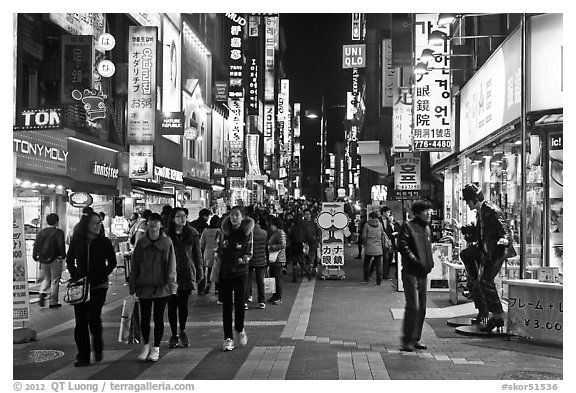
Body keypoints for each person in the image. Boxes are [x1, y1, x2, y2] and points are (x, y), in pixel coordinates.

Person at [462, 183, 516, 333]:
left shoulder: (491, 210)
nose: (468, 205)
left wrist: (505, 239)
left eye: (468, 202)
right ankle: (477, 290)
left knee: (485, 281)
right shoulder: (481, 211)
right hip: (486, 249)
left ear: (473, 200)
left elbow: (504, 228)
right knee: (466, 255)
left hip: (497, 251)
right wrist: (470, 232)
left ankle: (498, 316)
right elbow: (482, 232)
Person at [66, 212, 117, 367]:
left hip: (98, 286)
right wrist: (75, 275)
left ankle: (98, 347)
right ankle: (83, 355)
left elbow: (112, 262)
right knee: (80, 322)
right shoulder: (78, 240)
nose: (97, 226)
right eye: (94, 223)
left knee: (93, 317)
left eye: (99, 223)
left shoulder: (104, 242)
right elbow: (69, 260)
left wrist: (102, 274)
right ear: (86, 225)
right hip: (81, 287)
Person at [129, 213, 177, 362]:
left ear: (161, 225)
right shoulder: (141, 243)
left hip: (161, 287)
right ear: (147, 224)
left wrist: (172, 286)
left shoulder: (167, 243)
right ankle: (146, 345)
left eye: (156, 222)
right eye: (150, 221)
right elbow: (134, 266)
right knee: (144, 318)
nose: (153, 224)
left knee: (158, 318)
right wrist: (132, 286)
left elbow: (171, 266)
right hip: (144, 286)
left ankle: (155, 347)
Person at [397, 200, 434, 352]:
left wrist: (428, 264)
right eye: (426, 211)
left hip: (423, 273)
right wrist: (417, 261)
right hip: (411, 272)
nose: (429, 213)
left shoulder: (427, 229)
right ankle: (407, 340)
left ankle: (416, 338)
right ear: (418, 213)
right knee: (413, 306)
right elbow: (402, 246)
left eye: (430, 210)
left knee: (422, 307)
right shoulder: (408, 226)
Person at [215, 206, 254, 351]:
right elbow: (217, 249)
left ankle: (239, 328)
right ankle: (228, 338)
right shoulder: (222, 231)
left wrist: (244, 259)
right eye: (232, 215)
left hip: (241, 272)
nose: (234, 218)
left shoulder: (247, 232)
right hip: (225, 272)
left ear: (242, 217)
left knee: (239, 303)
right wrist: (218, 257)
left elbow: (250, 251)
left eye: (237, 215)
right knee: (226, 306)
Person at [166, 207, 203, 348]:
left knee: (183, 305)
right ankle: (174, 334)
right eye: (179, 216)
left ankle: (182, 330)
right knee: (171, 305)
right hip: (171, 275)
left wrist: (199, 273)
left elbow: (197, 255)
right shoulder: (166, 234)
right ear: (173, 218)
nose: (183, 218)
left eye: (184, 216)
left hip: (186, 273)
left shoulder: (192, 233)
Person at [33, 213, 66, 308]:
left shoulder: (41, 232)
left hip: (43, 259)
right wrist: (63, 255)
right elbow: (61, 244)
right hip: (55, 259)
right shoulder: (59, 232)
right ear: (56, 222)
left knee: (47, 278)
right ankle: (53, 302)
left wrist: (35, 255)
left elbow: (36, 245)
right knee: (55, 281)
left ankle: (42, 292)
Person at [246, 212, 268, 309]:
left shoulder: (247, 232)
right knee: (260, 281)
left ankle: (246, 300)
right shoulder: (264, 233)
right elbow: (266, 248)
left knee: (247, 280)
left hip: (249, 260)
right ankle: (261, 301)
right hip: (261, 259)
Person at [361, 212, 387, 286]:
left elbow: (363, 235)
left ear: (371, 217)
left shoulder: (367, 225)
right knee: (378, 265)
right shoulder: (380, 224)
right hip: (378, 247)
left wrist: (365, 243)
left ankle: (366, 279)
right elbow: (382, 234)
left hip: (369, 247)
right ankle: (378, 282)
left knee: (366, 264)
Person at [267, 216, 287, 305]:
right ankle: (274, 296)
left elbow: (283, 245)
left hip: (278, 259)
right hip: (274, 259)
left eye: (272, 225)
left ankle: (278, 297)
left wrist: (271, 247)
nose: (270, 226)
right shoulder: (276, 232)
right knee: (274, 278)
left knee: (277, 279)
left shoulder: (280, 232)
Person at [200, 215, 221, 296]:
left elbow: (201, 243)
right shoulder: (219, 231)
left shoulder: (205, 231)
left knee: (209, 271)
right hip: (217, 253)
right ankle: (217, 288)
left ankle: (208, 287)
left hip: (208, 253)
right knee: (217, 271)